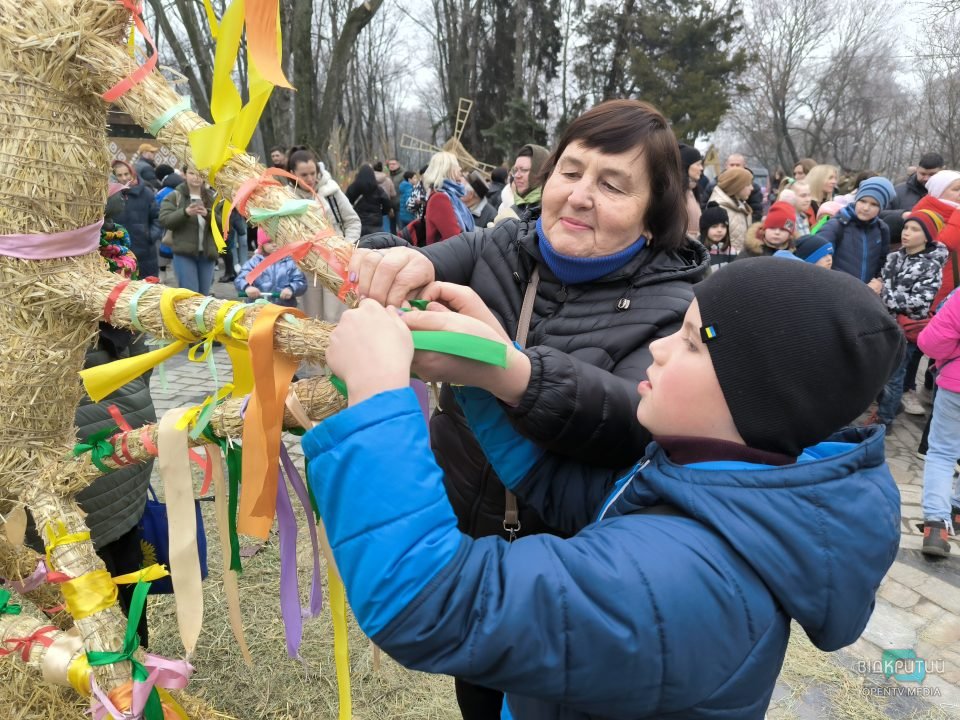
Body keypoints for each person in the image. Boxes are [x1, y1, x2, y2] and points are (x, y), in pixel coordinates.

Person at [303, 257, 902, 720]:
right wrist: (488, 372)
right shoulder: (717, 483)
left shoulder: (691, 582)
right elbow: (571, 495)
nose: (661, 351)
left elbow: (430, 603)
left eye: (693, 342)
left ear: (758, 399)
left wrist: (379, 397)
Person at [351, 98, 709, 720]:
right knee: (475, 680)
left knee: (539, 694)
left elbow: (632, 422)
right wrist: (395, 257)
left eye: (612, 184)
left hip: (562, 550)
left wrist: (514, 371)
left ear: (653, 216)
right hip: (465, 510)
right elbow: (432, 261)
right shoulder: (504, 243)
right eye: (571, 171)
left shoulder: (675, 305)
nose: (578, 196)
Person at [867, 209, 947, 428]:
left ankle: (884, 421)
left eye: (915, 229)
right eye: (906, 227)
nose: (907, 233)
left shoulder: (930, 266)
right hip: (883, 324)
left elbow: (919, 304)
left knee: (894, 377)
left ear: (927, 236)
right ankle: (890, 407)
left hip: (905, 330)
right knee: (882, 374)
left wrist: (881, 292)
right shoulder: (895, 256)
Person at [917, 288, 960, 556]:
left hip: (956, 386)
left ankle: (936, 526)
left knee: (943, 452)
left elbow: (931, 343)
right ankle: (957, 510)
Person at [817, 176, 895, 283]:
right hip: (835, 290)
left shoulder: (882, 229)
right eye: (863, 201)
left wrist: (878, 281)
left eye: (874, 204)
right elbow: (817, 259)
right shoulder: (836, 225)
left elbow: (882, 264)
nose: (866, 208)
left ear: (881, 208)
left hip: (864, 293)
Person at [158, 166, 219, 295]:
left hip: (207, 254)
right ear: (184, 174)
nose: (196, 177)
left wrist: (207, 214)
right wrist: (185, 212)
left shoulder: (212, 197)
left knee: (203, 295)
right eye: (192, 173)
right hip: (183, 253)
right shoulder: (175, 196)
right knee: (190, 295)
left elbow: (224, 225)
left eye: (200, 174)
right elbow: (165, 220)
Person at [910, 170, 960, 312]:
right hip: (934, 291)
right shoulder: (924, 214)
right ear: (939, 191)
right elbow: (943, 245)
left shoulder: (954, 212)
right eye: (956, 189)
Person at [110, 160, 162, 279]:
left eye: (126, 174)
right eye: (119, 175)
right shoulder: (109, 196)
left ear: (132, 174)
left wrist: (150, 236)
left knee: (147, 289)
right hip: (118, 253)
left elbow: (157, 217)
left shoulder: (146, 193)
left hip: (145, 253)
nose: (124, 178)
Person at [235, 232, 308, 308]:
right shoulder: (254, 263)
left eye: (277, 241)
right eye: (269, 242)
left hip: (284, 308)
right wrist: (247, 287)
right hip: (257, 308)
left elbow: (300, 281)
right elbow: (241, 279)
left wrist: (291, 289)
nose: (274, 244)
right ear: (262, 244)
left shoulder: (290, 263)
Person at [420, 151, 475, 244]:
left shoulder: (449, 195)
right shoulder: (439, 198)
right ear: (448, 169)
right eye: (457, 165)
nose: (460, 168)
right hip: (447, 257)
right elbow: (454, 238)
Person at [496, 143, 549, 220]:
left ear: (540, 172)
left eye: (524, 170)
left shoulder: (549, 210)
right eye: (515, 170)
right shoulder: (513, 207)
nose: (517, 176)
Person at [708, 167, 753, 253]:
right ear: (736, 186)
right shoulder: (718, 208)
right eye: (748, 185)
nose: (752, 188)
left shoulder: (741, 206)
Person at [346, 164, 392, 236]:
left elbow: (346, 204)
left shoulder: (352, 188)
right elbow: (387, 204)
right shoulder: (378, 190)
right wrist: (380, 212)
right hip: (375, 225)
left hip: (358, 223)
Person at [699, 202, 733, 267]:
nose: (719, 230)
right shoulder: (698, 253)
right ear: (705, 230)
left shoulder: (731, 251)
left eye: (723, 226)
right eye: (714, 226)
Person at [679, 143, 703, 235]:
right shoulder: (677, 194)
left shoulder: (691, 190)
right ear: (686, 166)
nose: (701, 168)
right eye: (698, 164)